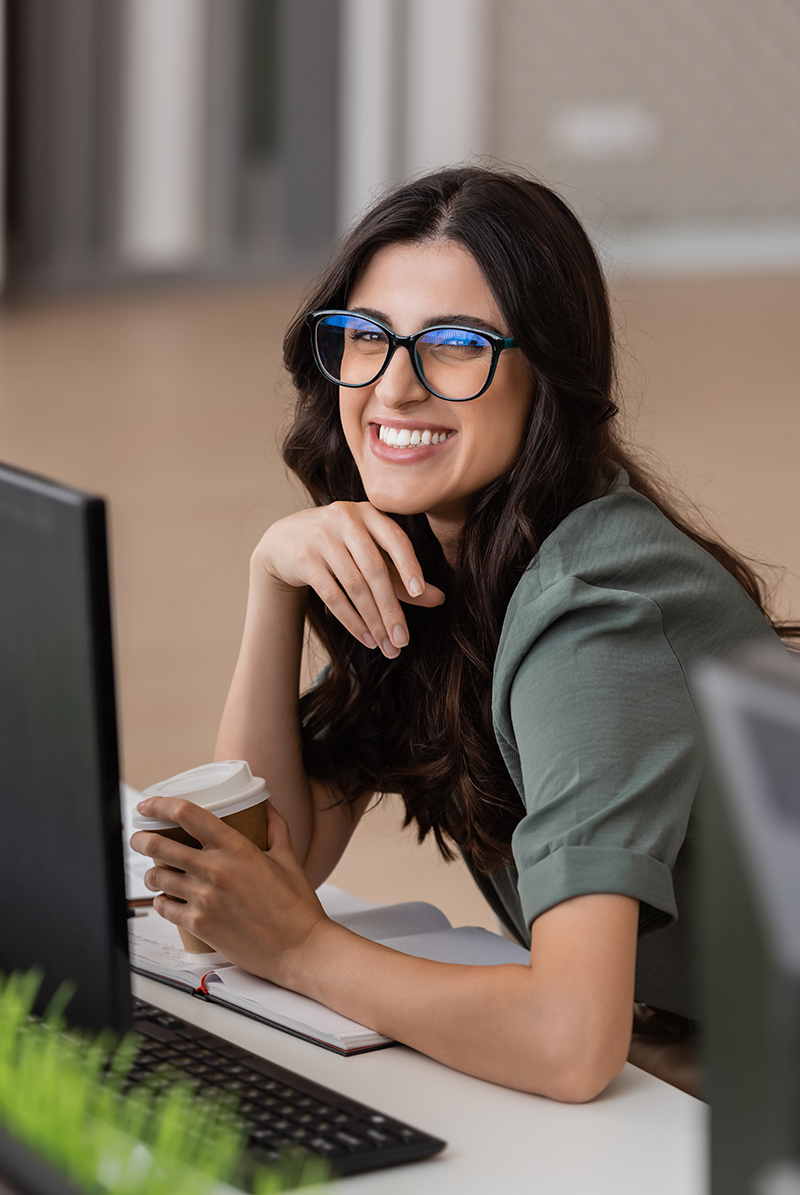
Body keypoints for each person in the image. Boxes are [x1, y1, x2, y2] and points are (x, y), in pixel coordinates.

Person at [132, 166, 792, 1102]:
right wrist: (270, 583)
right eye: (366, 337)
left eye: (454, 345)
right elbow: (278, 862)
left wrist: (301, 949)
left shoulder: (593, 614)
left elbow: (569, 1042)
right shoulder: (437, 558)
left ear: (548, 375)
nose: (393, 388)